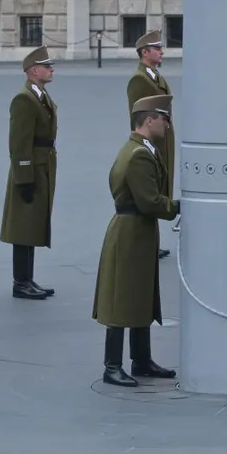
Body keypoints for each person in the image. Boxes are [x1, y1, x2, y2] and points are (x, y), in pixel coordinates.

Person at [93, 94, 181, 387]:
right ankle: (112, 365)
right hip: (131, 231)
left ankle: (141, 359)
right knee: (121, 297)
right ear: (148, 120)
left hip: (137, 230)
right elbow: (149, 202)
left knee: (141, 292)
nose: (168, 124)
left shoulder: (139, 148)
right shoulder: (139, 154)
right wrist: (181, 206)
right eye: (164, 118)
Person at [0, 46, 59, 300]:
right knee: (23, 227)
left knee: (33, 223)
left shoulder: (40, 95)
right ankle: (20, 282)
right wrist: (24, 176)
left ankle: (28, 279)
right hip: (30, 169)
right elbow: (19, 142)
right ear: (33, 71)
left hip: (42, 166)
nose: (51, 69)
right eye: (47, 66)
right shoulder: (24, 99)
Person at [126, 30, 175, 260]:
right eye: (157, 48)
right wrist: (145, 143)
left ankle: (154, 241)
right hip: (153, 140)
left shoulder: (155, 76)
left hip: (163, 139)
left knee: (158, 187)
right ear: (145, 53)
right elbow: (136, 114)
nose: (161, 51)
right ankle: (148, 242)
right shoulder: (139, 79)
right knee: (149, 190)